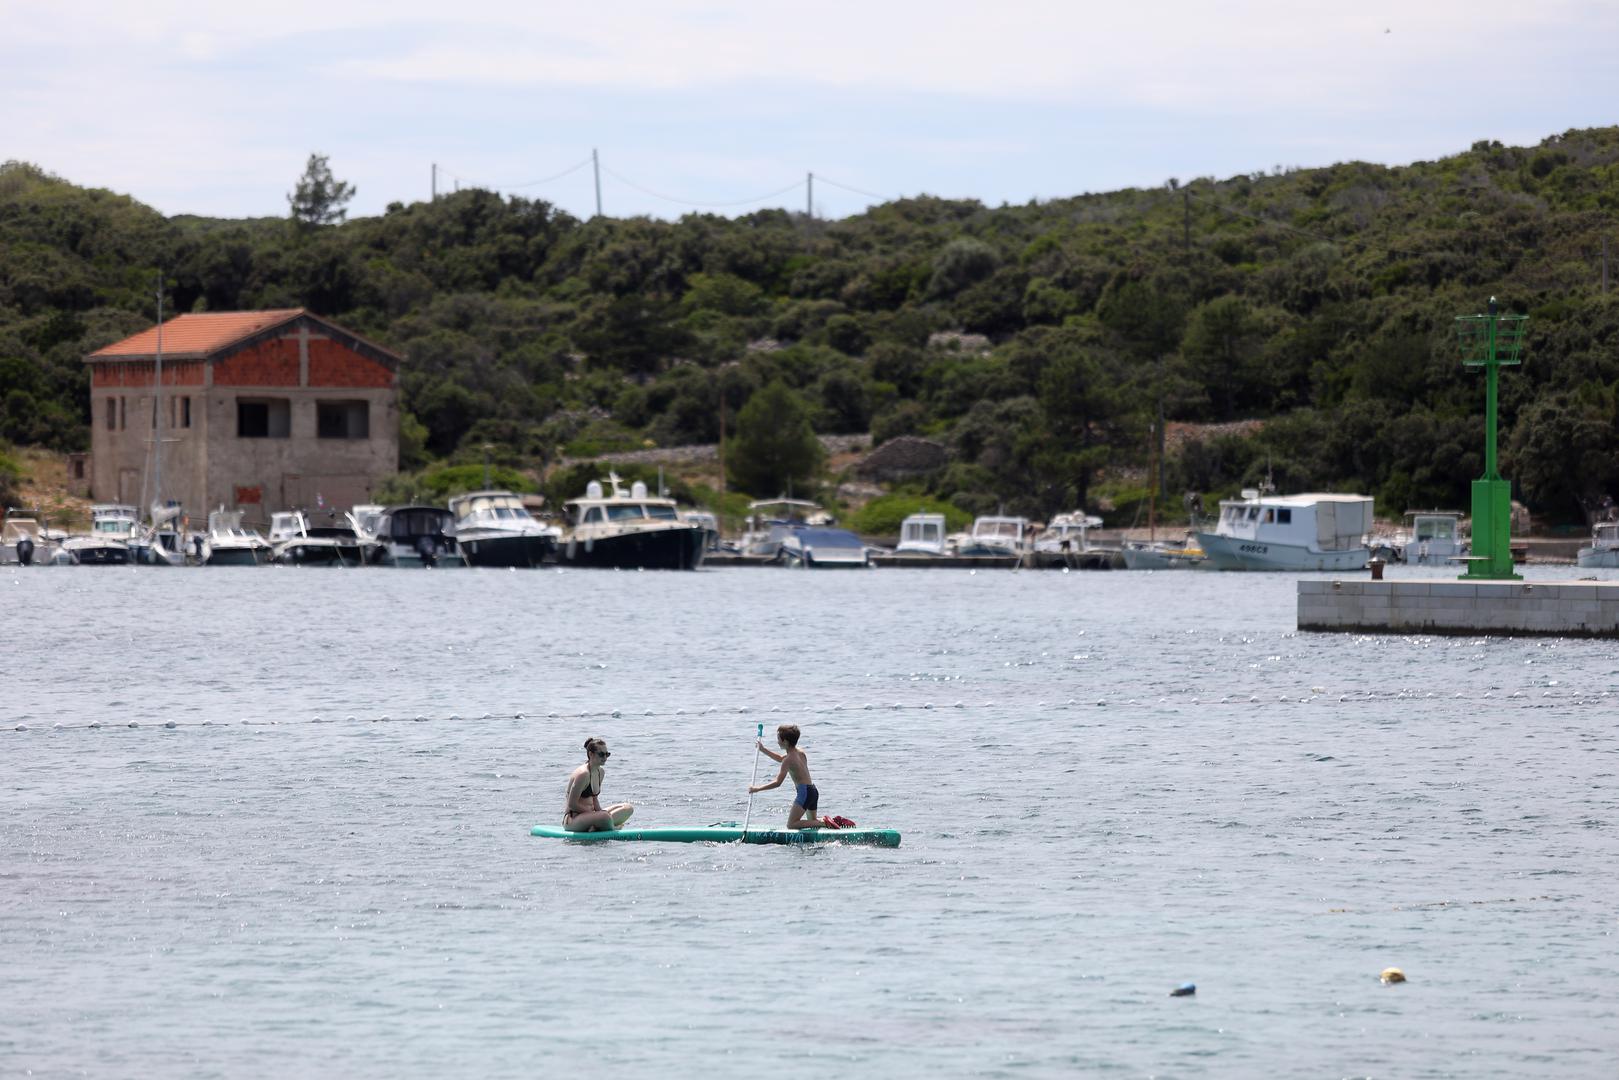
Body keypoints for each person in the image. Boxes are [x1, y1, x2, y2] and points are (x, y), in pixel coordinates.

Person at [748, 724, 836, 830]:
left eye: (778, 739)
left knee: (791, 824)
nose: (777, 742)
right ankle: (830, 821)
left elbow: (778, 782)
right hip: (813, 791)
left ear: (785, 742)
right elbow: (780, 758)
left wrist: (757, 789)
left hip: (804, 793)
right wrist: (763, 749)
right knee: (812, 822)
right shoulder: (800, 752)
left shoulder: (788, 760)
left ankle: (824, 823)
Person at [563, 737, 634, 832]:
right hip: (573, 820)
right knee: (604, 817)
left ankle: (597, 826)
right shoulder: (583, 774)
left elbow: (594, 799)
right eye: (601, 754)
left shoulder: (600, 772)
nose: (605, 758)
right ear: (591, 754)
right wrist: (597, 814)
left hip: (591, 815)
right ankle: (611, 827)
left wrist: (599, 812)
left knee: (627, 808)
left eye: (607, 754)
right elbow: (572, 804)